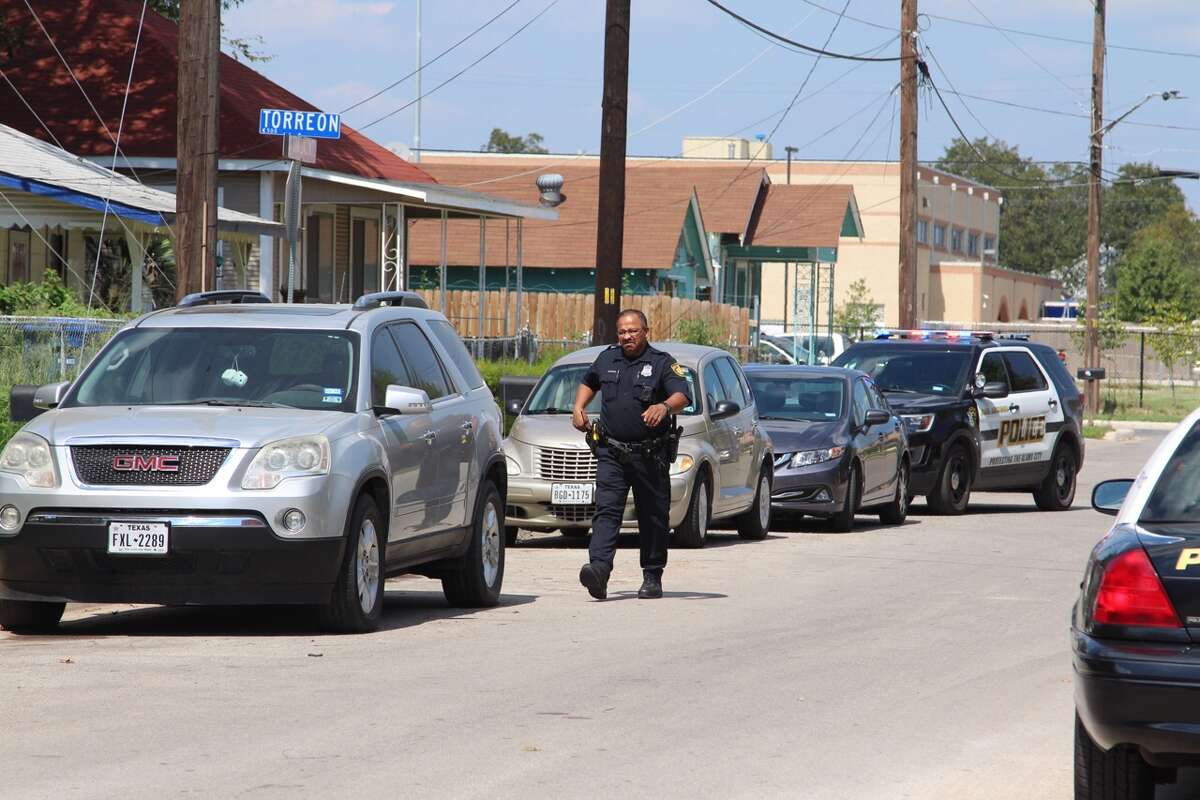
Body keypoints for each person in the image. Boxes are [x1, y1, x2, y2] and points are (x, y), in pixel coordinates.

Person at [571, 309, 691, 600]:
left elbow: (682, 395)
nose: (627, 336)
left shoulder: (662, 363)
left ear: (646, 331)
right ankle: (598, 571)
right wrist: (578, 407)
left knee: (652, 517)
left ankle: (652, 576)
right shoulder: (607, 358)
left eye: (633, 331)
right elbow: (589, 381)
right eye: (622, 332)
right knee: (606, 512)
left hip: (649, 455)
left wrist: (664, 407)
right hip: (611, 451)